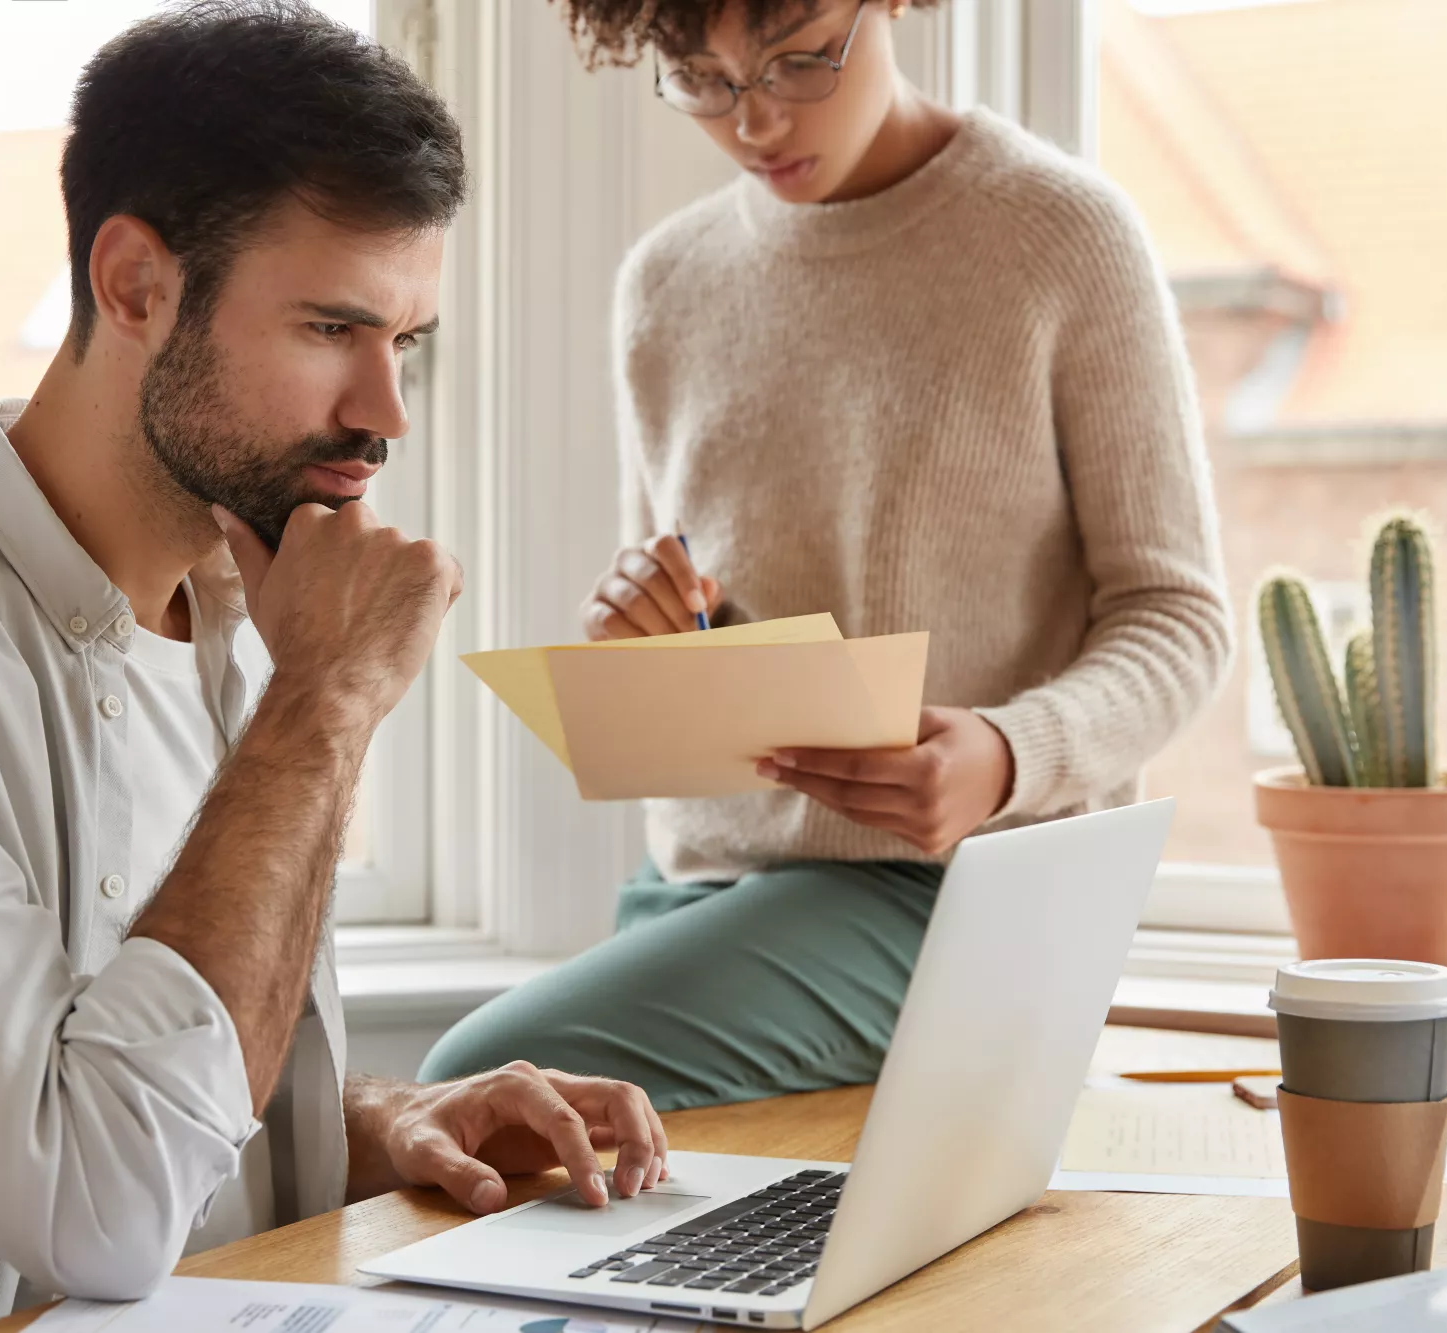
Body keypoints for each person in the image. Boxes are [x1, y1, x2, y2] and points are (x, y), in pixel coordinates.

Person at [0, 6, 668, 1330]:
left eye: (403, 342)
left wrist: (382, 1123)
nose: (385, 415)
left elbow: (157, 1092)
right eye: (331, 330)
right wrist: (323, 701)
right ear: (136, 284)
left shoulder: (239, 618)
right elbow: (99, 1204)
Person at [421, 0, 1233, 1109]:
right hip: (700, 892)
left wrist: (1006, 754)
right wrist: (655, 626)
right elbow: (700, 606)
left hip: (961, 897)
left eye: (798, 61)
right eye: (701, 81)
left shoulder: (1058, 236)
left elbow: (1176, 615)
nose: (753, 122)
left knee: (468, 1085)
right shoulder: (665, 284)